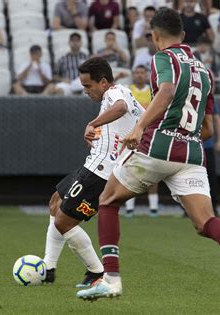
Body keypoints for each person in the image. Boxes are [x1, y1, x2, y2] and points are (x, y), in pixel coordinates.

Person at [76, 8, 220, 304]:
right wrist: (183, 140)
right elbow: (206, 127)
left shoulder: (162, 58)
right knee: (205, 222)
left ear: (155, 35)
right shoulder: (205, 72)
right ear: (183, 34)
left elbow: (166, 91)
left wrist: (141, 127)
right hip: (191, 154)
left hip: (156, 147)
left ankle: (111, 279)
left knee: (107, 201)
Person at [43, 57, 144, 288]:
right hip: (93, 165)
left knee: (63, 221)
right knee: (55, 201)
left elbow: (121, 108)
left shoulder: (116, 92)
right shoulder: (114, 95)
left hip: (101, 174)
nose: (85, 91)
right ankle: (48, 267)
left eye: (88, 86)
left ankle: (96, 271)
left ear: (104, 82)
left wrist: (93, 124)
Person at [125, 65, 159, 217]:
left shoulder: (153, 91)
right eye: (137, 73)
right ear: (133, 75)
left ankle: (153, 208)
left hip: (149, 136)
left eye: (142, 73)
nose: (139, 75)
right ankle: (129, 208)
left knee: (152, 171)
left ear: (146, 75)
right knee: (127, 170)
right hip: (131, 136)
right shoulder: (127, 90)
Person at [203, 103, 220, 217]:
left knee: (210, 177)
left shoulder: (208, 98)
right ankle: (188, 208)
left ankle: (213, 207)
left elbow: (216, 119)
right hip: (190, 145)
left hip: (205, 145)